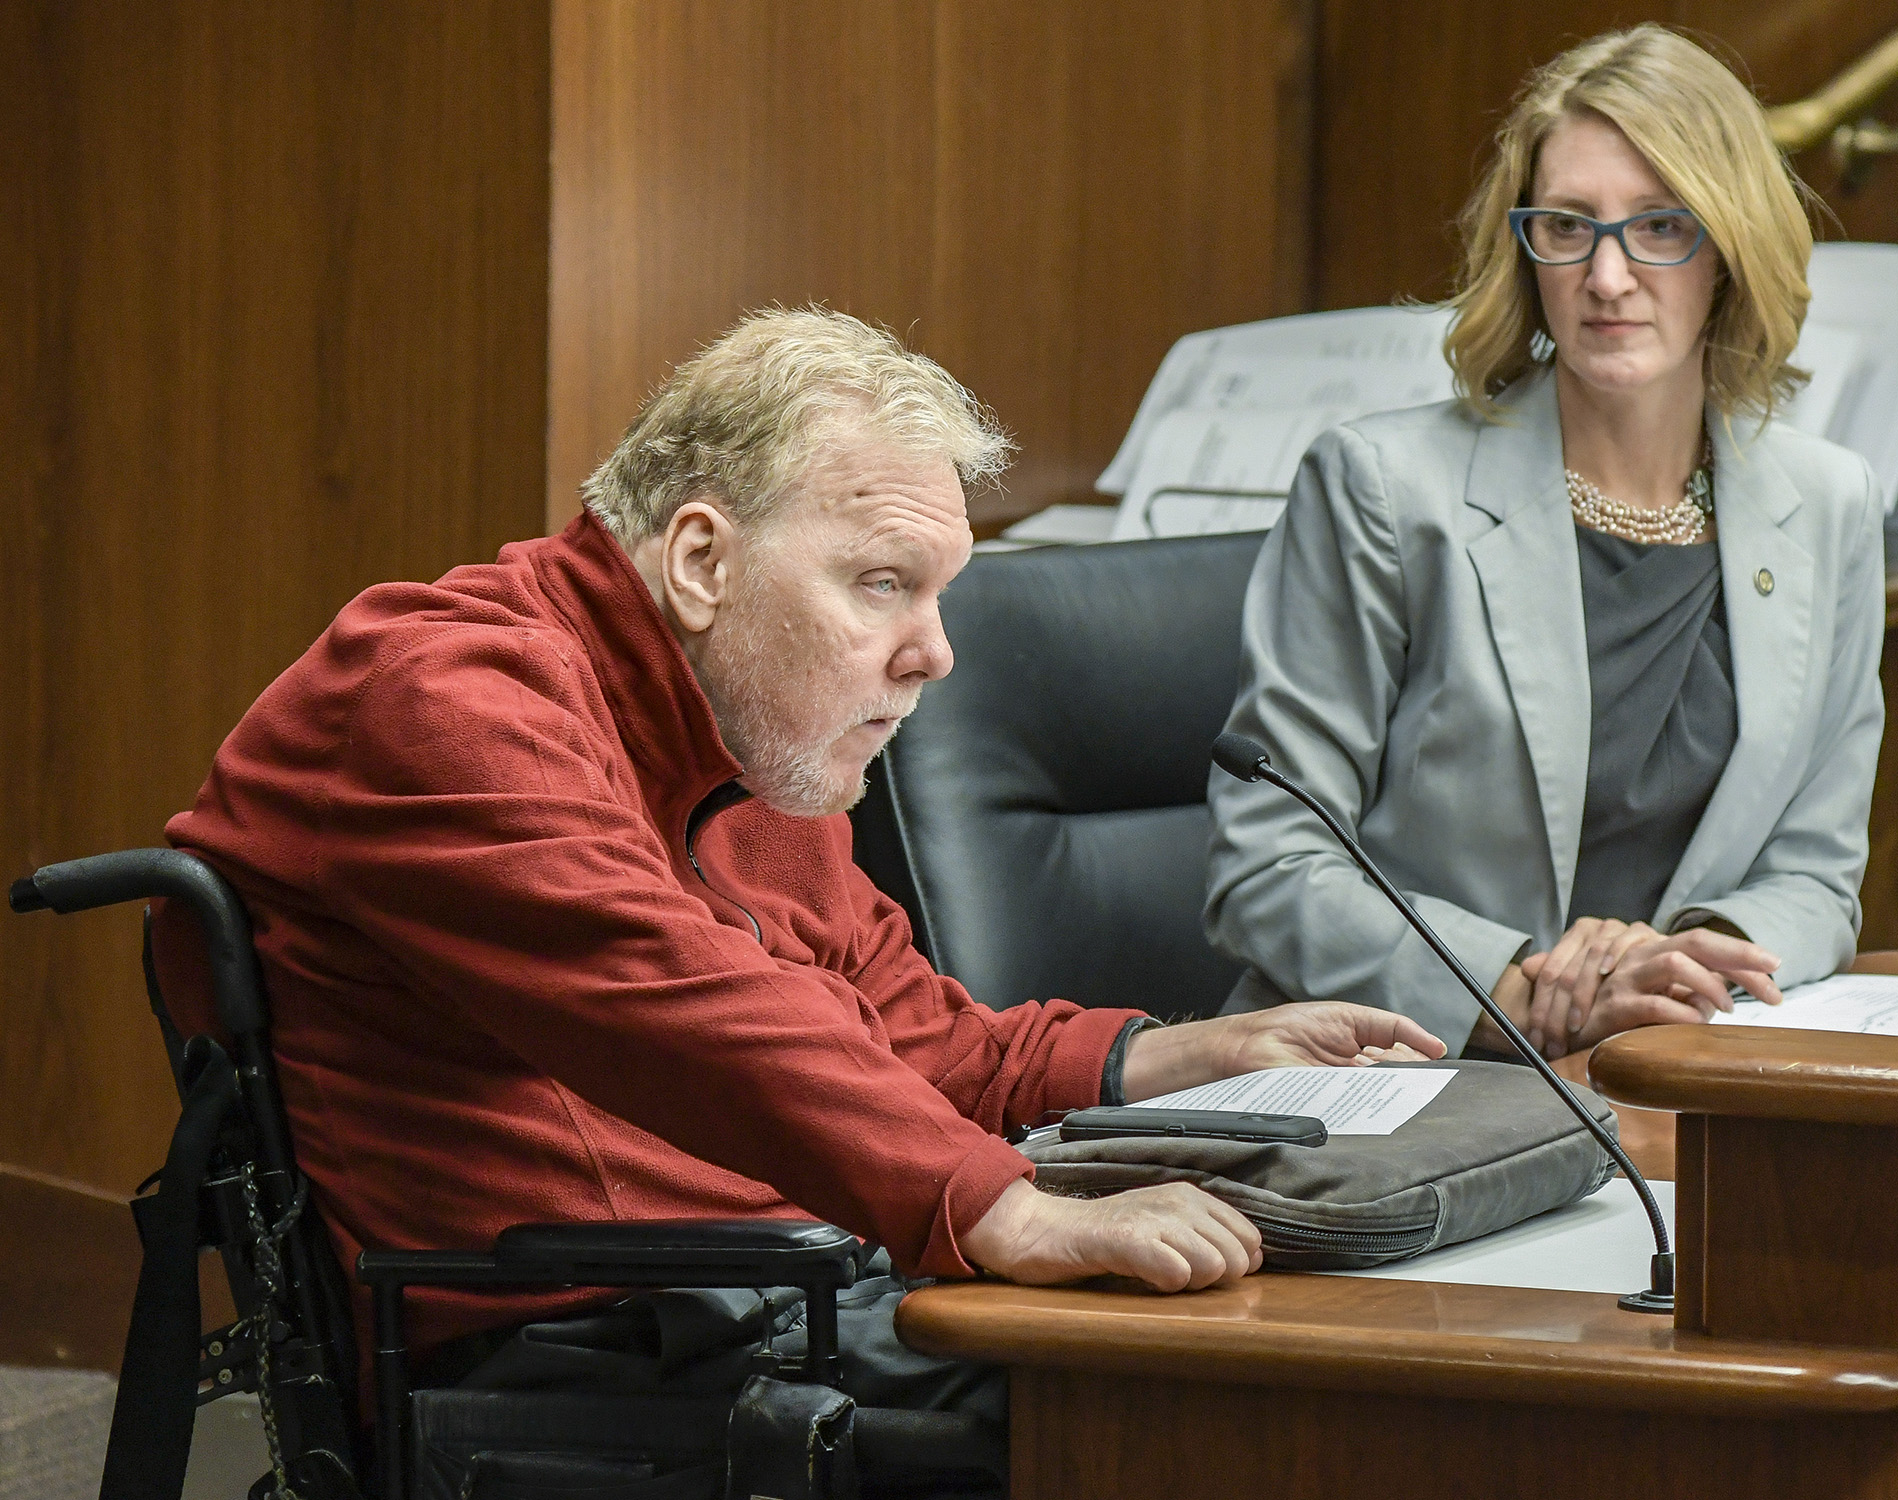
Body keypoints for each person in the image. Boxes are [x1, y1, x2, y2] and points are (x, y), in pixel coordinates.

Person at [152, 307, 1441, 1478]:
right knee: (1245, 1421)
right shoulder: (438, 698)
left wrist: (1183, 1057)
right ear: (703, 560)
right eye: (884, 582)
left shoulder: (747, 731)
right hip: (585, 1345)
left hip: (794, 1287)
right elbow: (689, 1006)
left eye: (941, 593)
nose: (935, 651)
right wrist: (1002, 1208)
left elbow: (913, 1034)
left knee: (1317, 1346)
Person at [1206, 25, 1885, 1066]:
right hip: (1410, 1070)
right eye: (1568, 225)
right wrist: (1531, 991)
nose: (1608, 276)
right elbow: (1269, 864)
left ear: (1732, 248)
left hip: (1670, 1070)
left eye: (1662, 226)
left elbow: (1816, 876)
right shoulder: (1386, 492)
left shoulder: (1828, 505)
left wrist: (1679, 972)